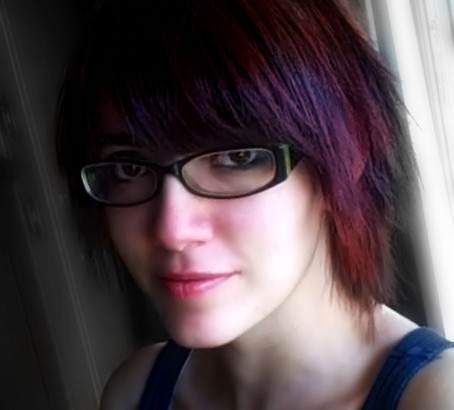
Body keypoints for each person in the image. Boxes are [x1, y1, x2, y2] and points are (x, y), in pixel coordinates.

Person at [56, 0, 454, 408]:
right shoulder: (135, 391)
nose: (171, 231)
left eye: (237, 157)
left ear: (349, 155)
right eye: (129, 167)